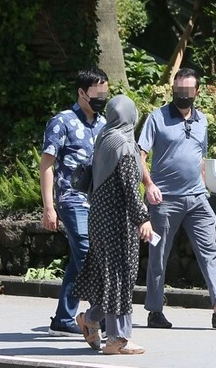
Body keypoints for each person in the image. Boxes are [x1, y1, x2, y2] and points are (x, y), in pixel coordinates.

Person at [139, 67, 216, 329]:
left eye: (187, 91)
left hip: (197, 198)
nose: (182, 94)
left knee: (209, 250)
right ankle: (155, 311)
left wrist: (204, 187)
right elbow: (139, 156)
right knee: (159, 256)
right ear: (173, 89)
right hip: (164, 200)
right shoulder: (157, 118)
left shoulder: (202, 121)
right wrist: (149, 185)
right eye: (178, 90)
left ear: (196, 92)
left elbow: (200, 157)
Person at [73, 94, 152, 355]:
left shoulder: (104, 137)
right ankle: (118, 338)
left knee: (109, 276)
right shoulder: (126, 145)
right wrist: (144, 219)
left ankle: (91, 318)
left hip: (98, 217)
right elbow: (130, 188)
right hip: (118, 221)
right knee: (121, 277)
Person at [40, 68, 108, 336]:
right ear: (81, 93)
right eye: (97, 93)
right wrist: (49, 206)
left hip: (97, 202)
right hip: (71, 200)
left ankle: (63, 319)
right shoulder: (62, 122)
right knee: (87, 255)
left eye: (105, 92)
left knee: (76, 262)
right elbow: (46, 165)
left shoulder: (104, 124)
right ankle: (100, 315)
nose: (102, 97)